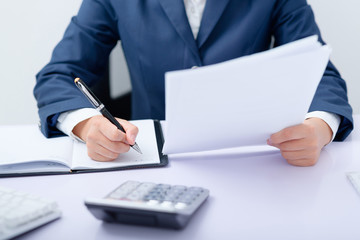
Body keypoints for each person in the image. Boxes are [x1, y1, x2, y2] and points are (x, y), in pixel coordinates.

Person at [34, 0, 353, 166]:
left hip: (253, 161)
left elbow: (321, 73)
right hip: (150, 160)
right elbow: (59, 75)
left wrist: (319, 129)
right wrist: (87, 125)